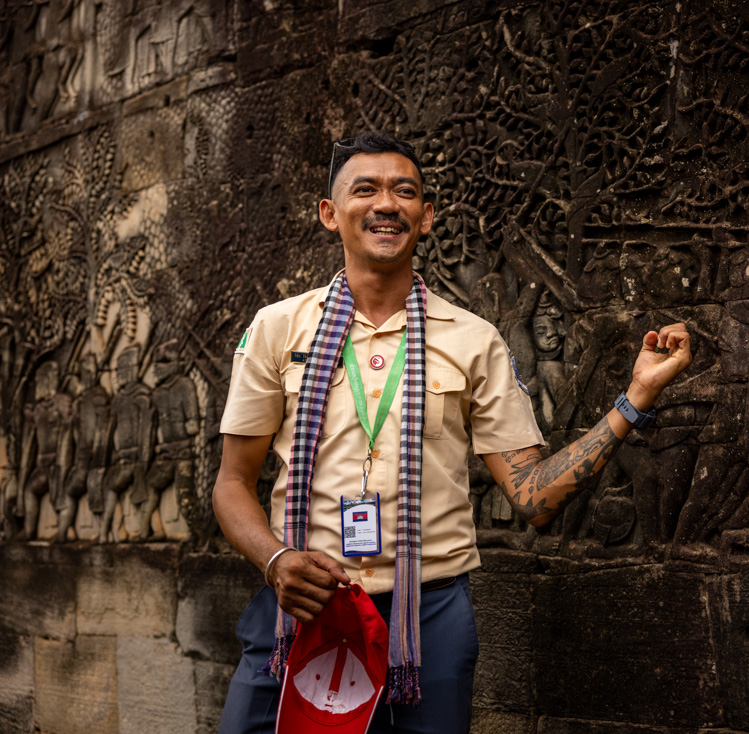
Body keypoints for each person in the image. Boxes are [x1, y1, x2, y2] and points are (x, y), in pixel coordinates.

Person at [213, 131, 692, 734]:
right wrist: (276, 559)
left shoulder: (472, 339)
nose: (387, 203)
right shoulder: (277, 328)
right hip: (301, 603)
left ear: (427, 216)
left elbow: (533, 496)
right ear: (330, 215)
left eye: (405, 191)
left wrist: (636, 398)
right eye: (366, 190)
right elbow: (232, 483)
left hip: (428, 616)